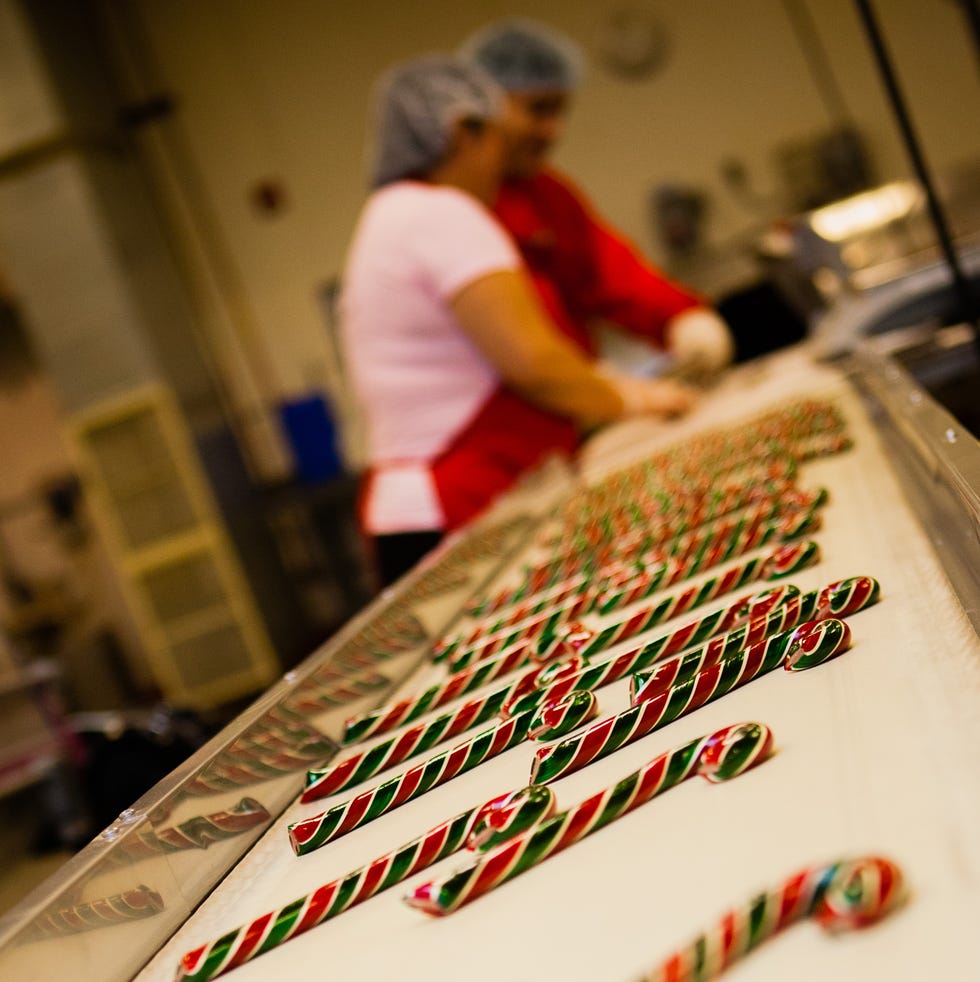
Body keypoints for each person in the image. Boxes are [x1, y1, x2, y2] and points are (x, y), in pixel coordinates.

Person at [339, 56, 698, 586]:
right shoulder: (440, 213)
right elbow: (532, 361)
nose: (502, 171)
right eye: (498, 147)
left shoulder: (392, 215)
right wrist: (640, 399)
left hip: (414, 514)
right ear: (463, 132)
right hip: (451, 509)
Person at [461, 18, 736, 378]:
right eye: (539, 109)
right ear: (483, 106)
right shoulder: (453, 208)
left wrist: (681, 318)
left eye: (560, 111)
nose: (553, 130)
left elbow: (609, 274)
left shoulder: (548, 195)